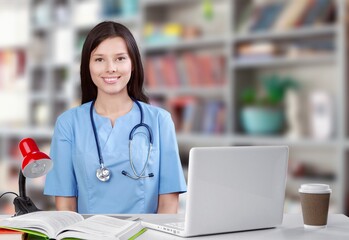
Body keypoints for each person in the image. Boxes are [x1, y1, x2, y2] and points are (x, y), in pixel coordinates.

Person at [44, 21, 187, 214]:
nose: (110, 68)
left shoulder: (160, 121)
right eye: (99, 59)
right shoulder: (68, 124)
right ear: (88, 66)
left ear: (133, 64)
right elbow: (66, 207)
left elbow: (169, 205)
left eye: (120, 58)